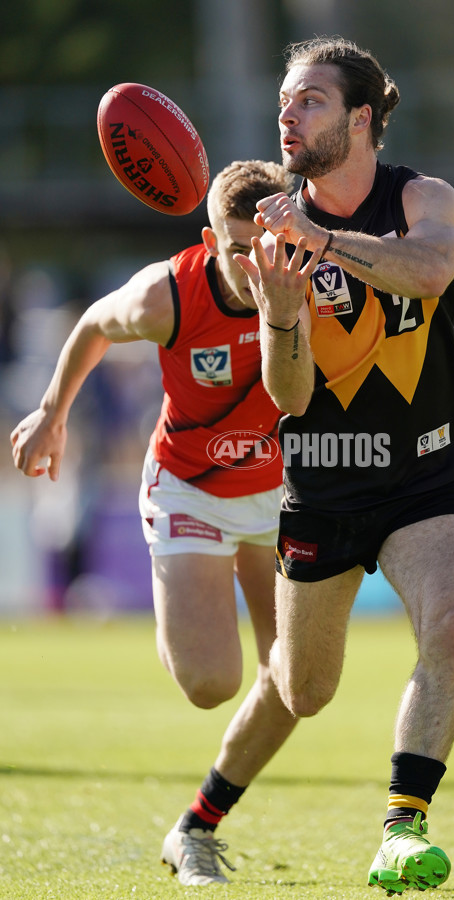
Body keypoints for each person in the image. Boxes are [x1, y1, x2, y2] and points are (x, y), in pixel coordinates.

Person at [235, 38, 454, 895]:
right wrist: (278, 314)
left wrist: (324, 240)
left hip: (422, 479)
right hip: (322, 485)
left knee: (451, 622)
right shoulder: (275, 227)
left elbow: (429, 271)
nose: (288, 114)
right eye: (285, 101)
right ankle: (208, 802)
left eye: (308, 99)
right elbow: (293, 396)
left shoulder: (420, 196)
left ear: (361, 119)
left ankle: (402, 825)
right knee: (304, 692)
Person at [10, 159, 299, 888]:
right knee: (210, 683)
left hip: (281, 494)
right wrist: (52, 413)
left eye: (266, 245)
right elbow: (91, 323)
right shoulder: (165, 294)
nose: (254, 266)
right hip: (191, 490)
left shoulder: (310, 284)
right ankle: (181, 611)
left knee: (297, 681)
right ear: (210, 240)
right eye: (237, 249)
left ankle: (198, 825)